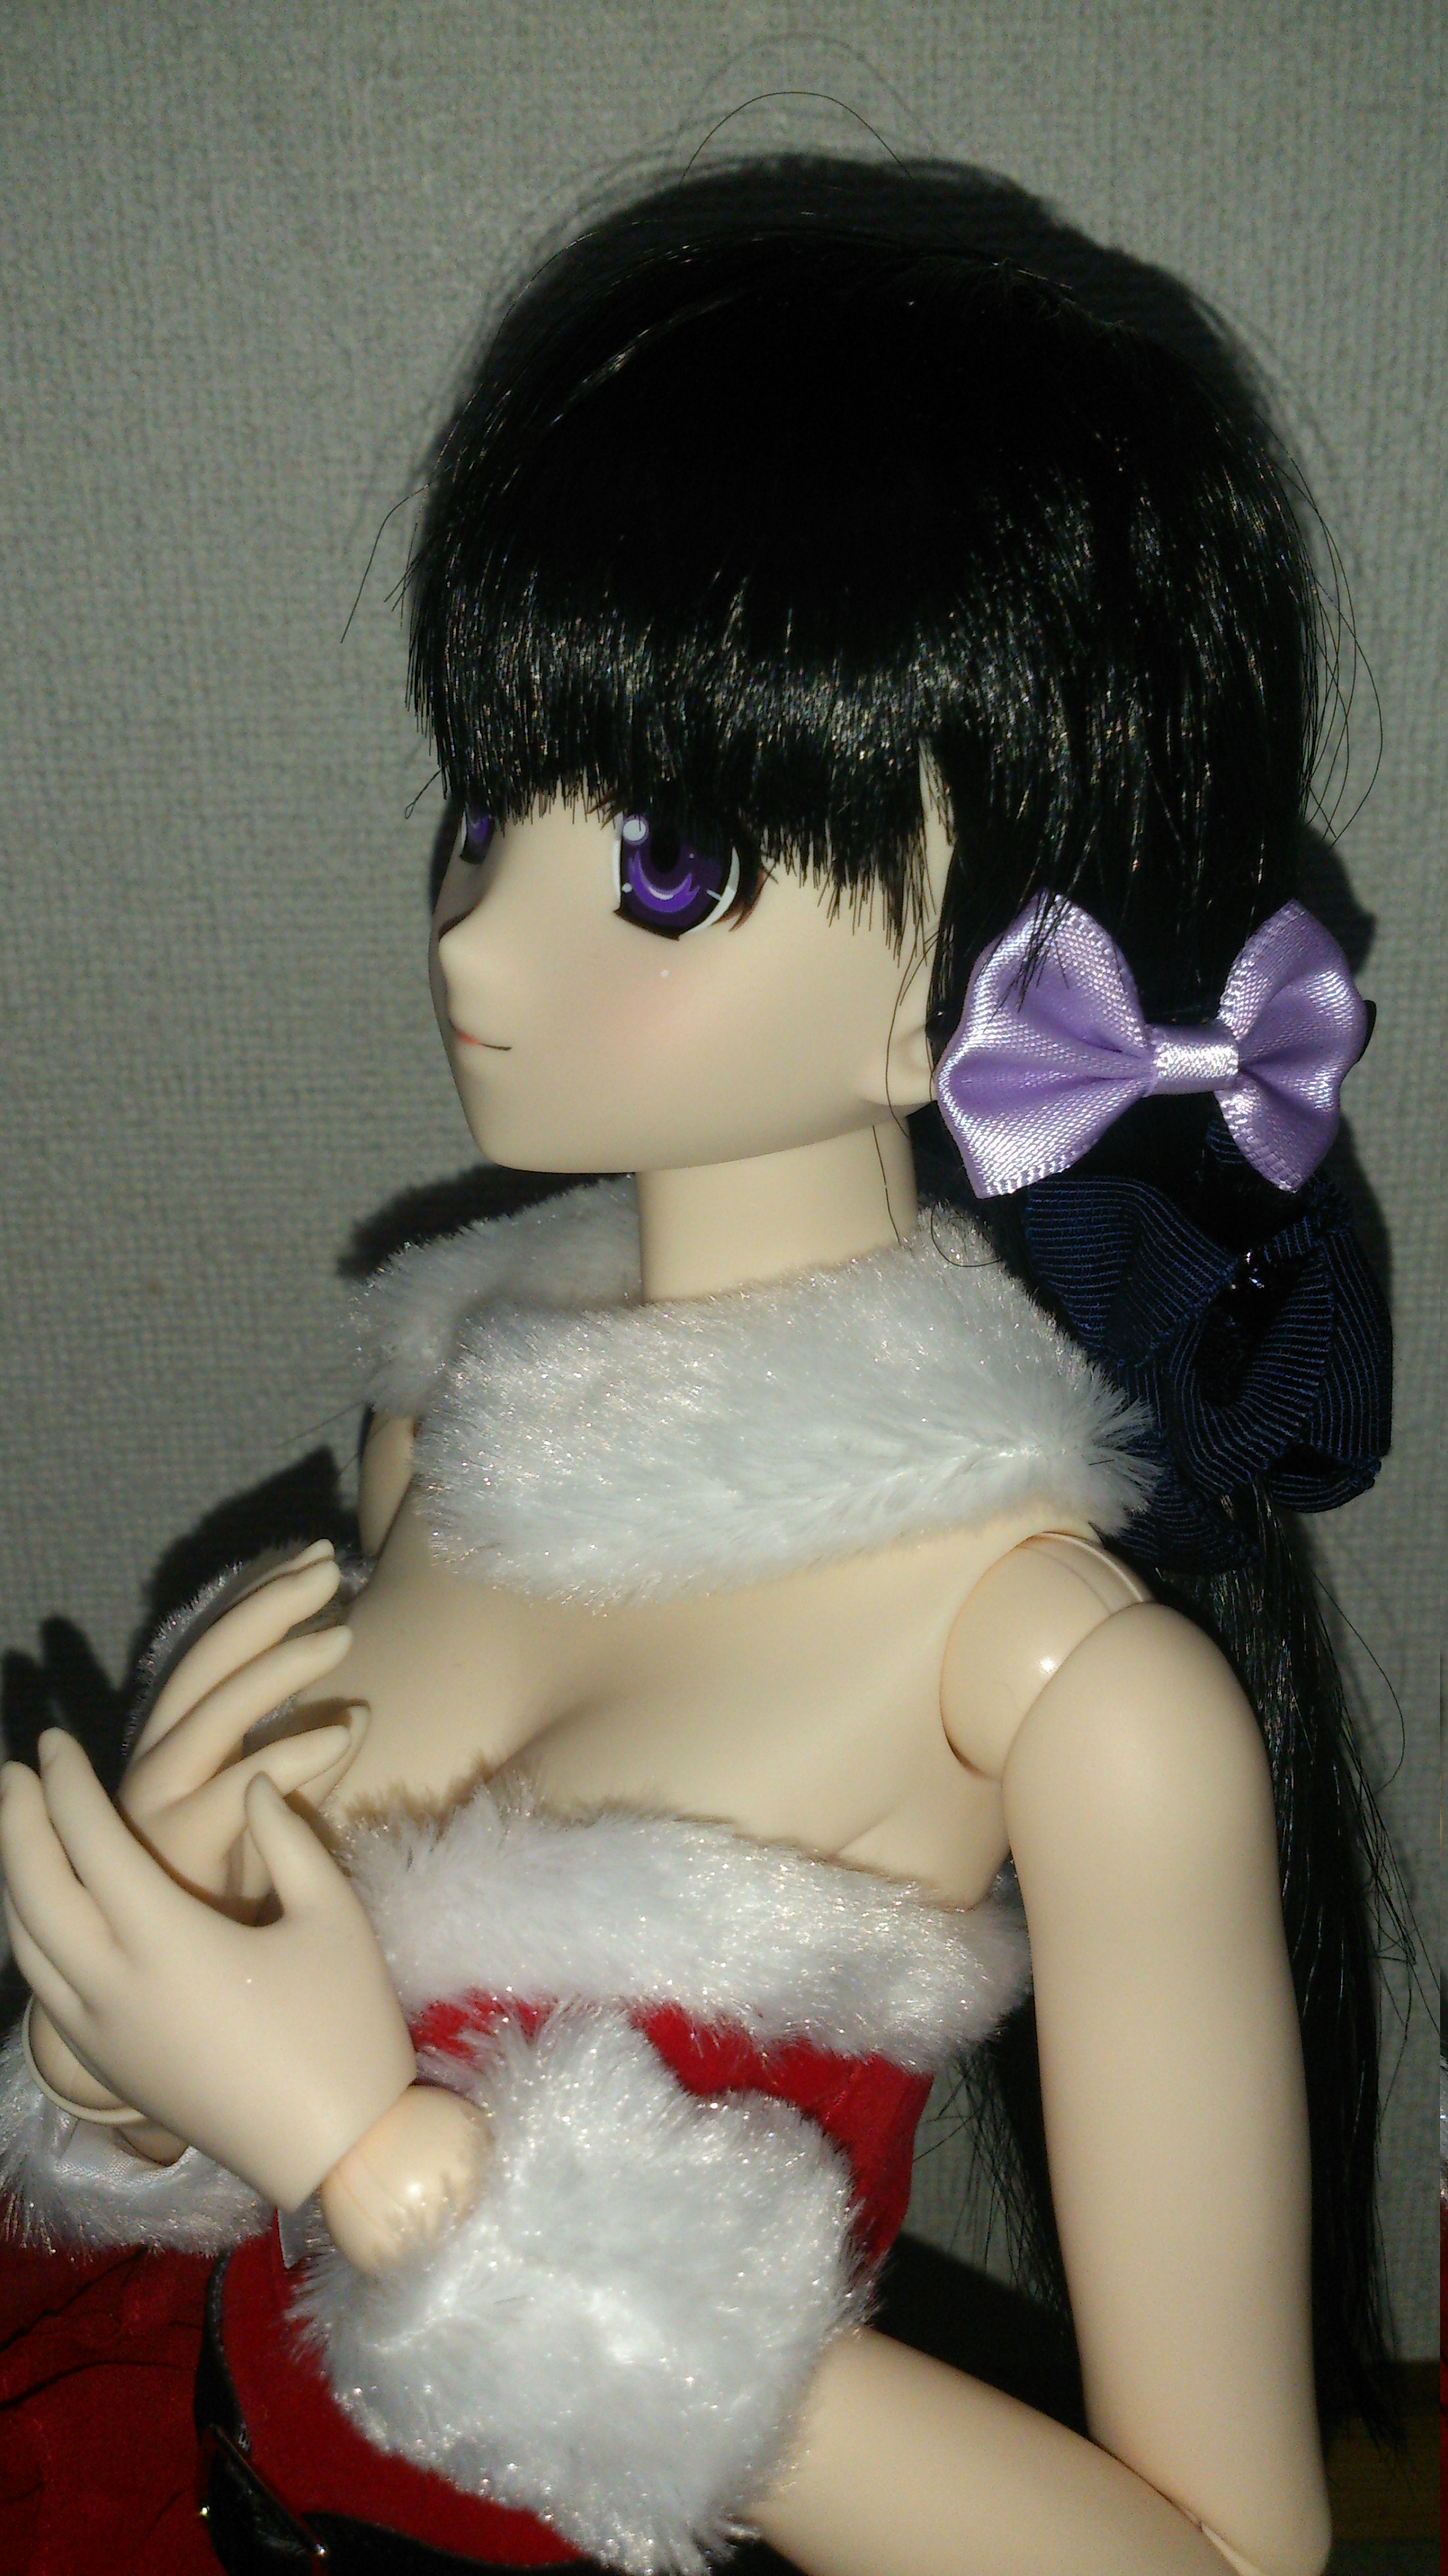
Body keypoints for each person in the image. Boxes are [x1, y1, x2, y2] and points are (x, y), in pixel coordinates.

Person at [0, 156, 1394, 2576]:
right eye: (484, 805)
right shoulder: (454, 1403)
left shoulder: (1056, 1680)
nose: (470, 939)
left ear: (983, 984)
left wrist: (397, 2172)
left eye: (663, 865)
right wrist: (133, 2073)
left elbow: (1219, 2558)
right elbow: (225, 2142)